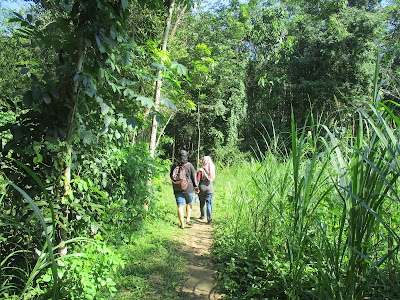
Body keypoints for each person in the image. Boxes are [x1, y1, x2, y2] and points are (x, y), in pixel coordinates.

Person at [170, 150, 199, 229]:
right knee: (189, 203)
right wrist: (196, 187)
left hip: (177, 188)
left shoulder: (174, 165)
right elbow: (194, 177)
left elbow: (171, 176)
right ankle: (188, 219)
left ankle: (182, 224)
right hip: (188, 188)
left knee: (180, 206)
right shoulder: (190, 165)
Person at [197, 156, 215, 224]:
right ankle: (209, 218)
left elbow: (198, 179)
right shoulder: (212, 169)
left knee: (202, 203)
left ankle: (202, 216)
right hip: (210, 189)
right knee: (209, 203)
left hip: (201, 188)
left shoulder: (201, 170)